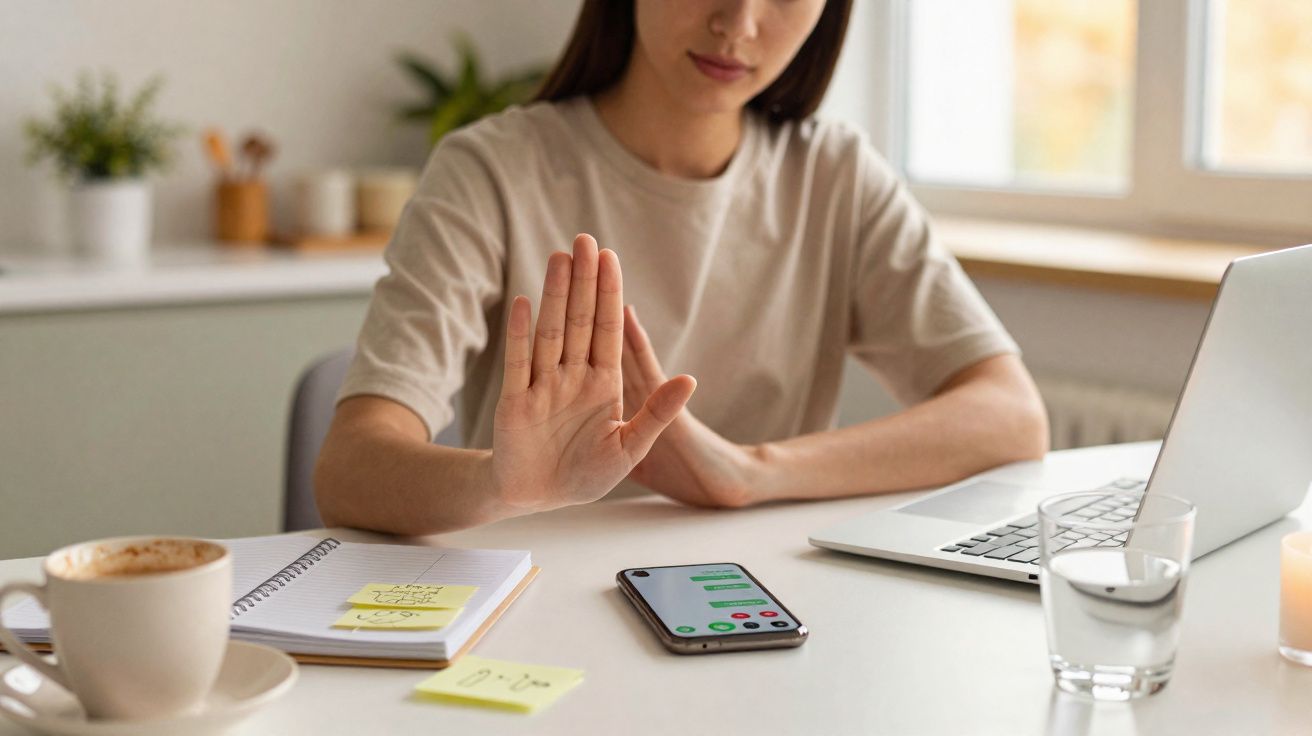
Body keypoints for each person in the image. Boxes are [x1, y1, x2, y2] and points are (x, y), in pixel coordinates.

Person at [314, 0, 1050, 535]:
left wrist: (751, 472)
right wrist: (502, 484)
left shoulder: (837, 176)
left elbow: (1011, 417)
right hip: (535, 610)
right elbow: (349, 469)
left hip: (760, 603)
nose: (739, 21)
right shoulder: (491, 171)